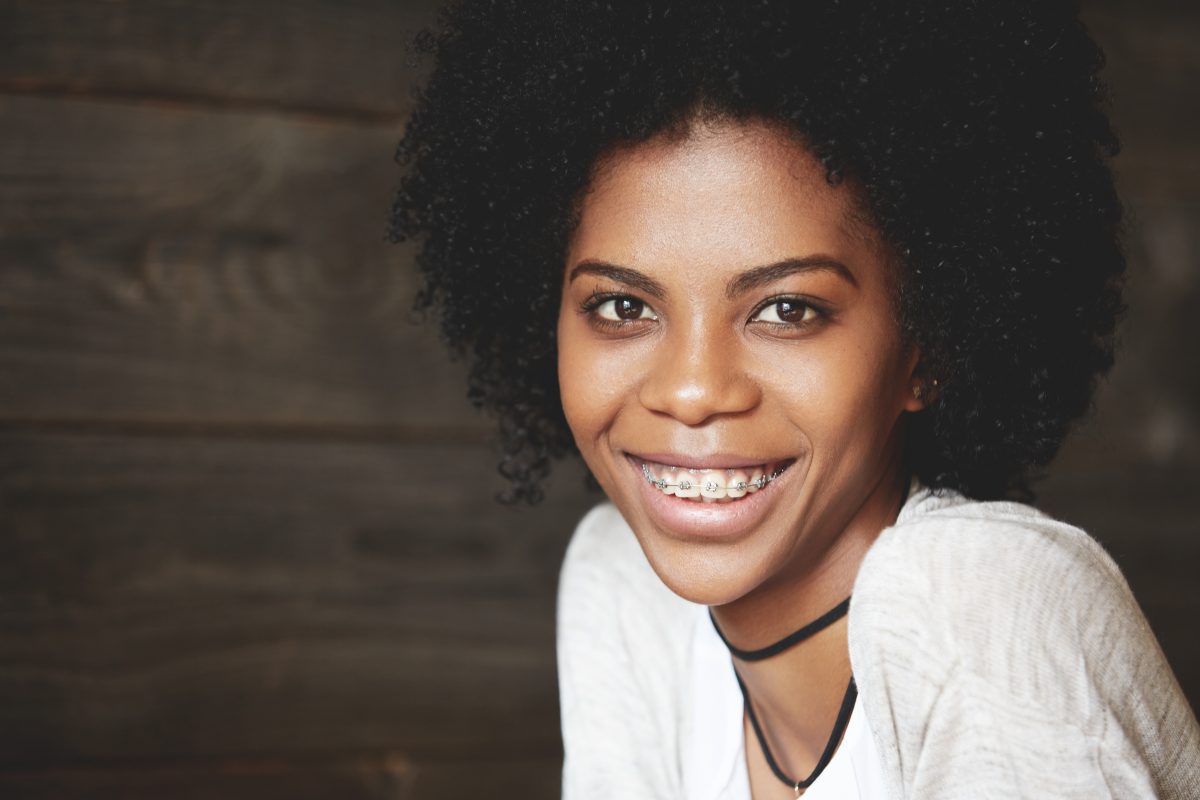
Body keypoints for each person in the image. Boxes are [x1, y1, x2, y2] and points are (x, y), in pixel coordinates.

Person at [389, 0, 1200, 797]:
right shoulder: (623, 580)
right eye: (623, 307)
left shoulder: (979, 603)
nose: (693, 390)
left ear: (929, 352)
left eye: (788, 309)